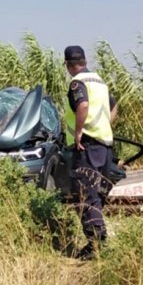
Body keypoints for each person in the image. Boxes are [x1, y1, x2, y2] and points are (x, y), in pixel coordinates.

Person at [63, 45, 117, 261]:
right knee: (97, 193)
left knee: (86, 194)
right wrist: (105, 124)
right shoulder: (99, 82)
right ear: (84, 61)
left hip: (86, 145)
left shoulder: (77, 83)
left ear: (68, 65)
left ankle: (96, 245)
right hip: (104, 145)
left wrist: (78, 133)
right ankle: (98, 241)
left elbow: (83, 105)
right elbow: (114, 107)